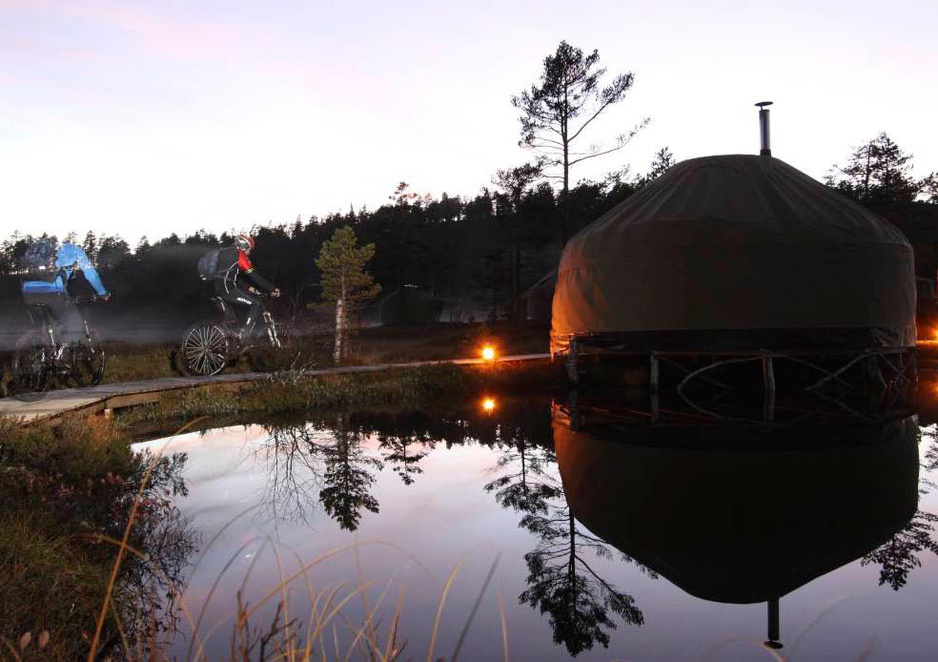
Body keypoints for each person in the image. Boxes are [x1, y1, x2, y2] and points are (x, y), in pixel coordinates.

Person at [20, 241, 110, 344]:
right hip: (53, 294)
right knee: (75, 322)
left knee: (51, 320)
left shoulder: (43, 251)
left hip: (27, 293)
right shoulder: (75, 250)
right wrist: (102, 293)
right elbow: (91, 274)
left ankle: (47, 352)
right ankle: (70, 355)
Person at [214, 233, 280, 340]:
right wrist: (272, 288)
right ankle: (245, 333)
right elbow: (255, 277)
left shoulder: (226, 252)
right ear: (243, 245)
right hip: (227, 289)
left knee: (235, 318)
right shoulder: (239, 255)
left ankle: (234, 338)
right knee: (256, 302)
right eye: (249, 249)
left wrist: (250, 288)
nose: (249, 252)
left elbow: (230, 277)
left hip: (220, 287)